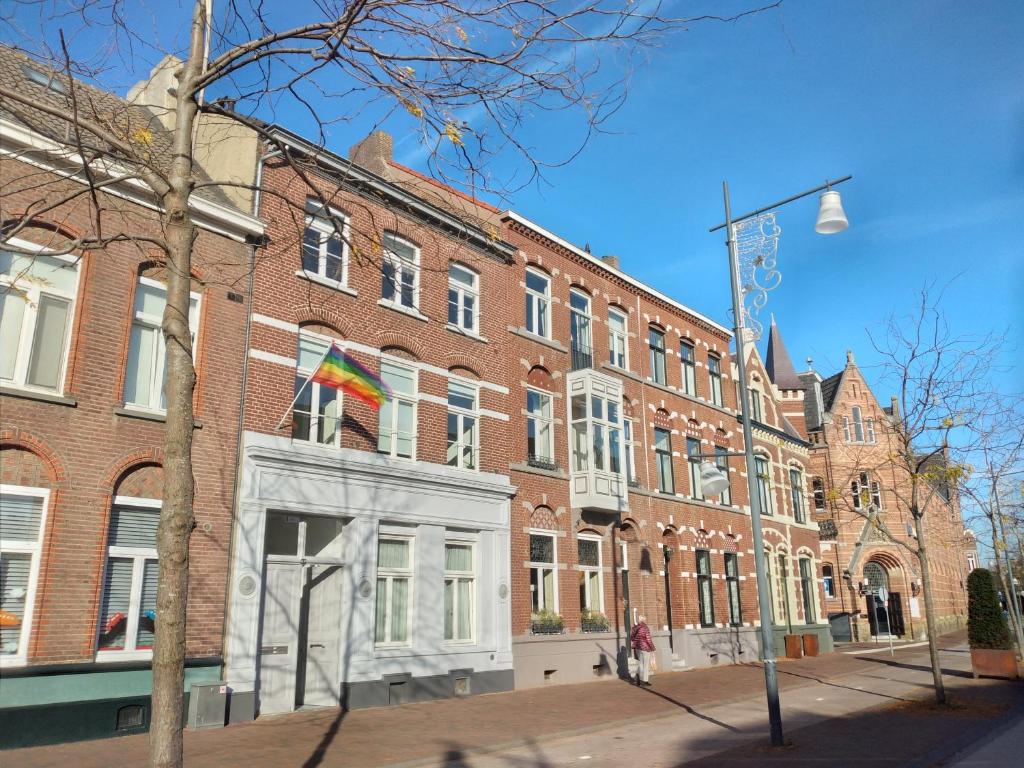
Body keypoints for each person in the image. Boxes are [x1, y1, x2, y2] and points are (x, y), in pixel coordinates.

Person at [630, 615, 655, 686]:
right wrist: (653, 648)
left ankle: (639, 679)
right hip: (645, 648)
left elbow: (632, 638)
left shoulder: (634, 628)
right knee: (646, 665)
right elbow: (648, 639)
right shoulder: (645, 627)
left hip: (637, 647)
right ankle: (645, 681)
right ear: (644, 620)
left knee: (640, 663)